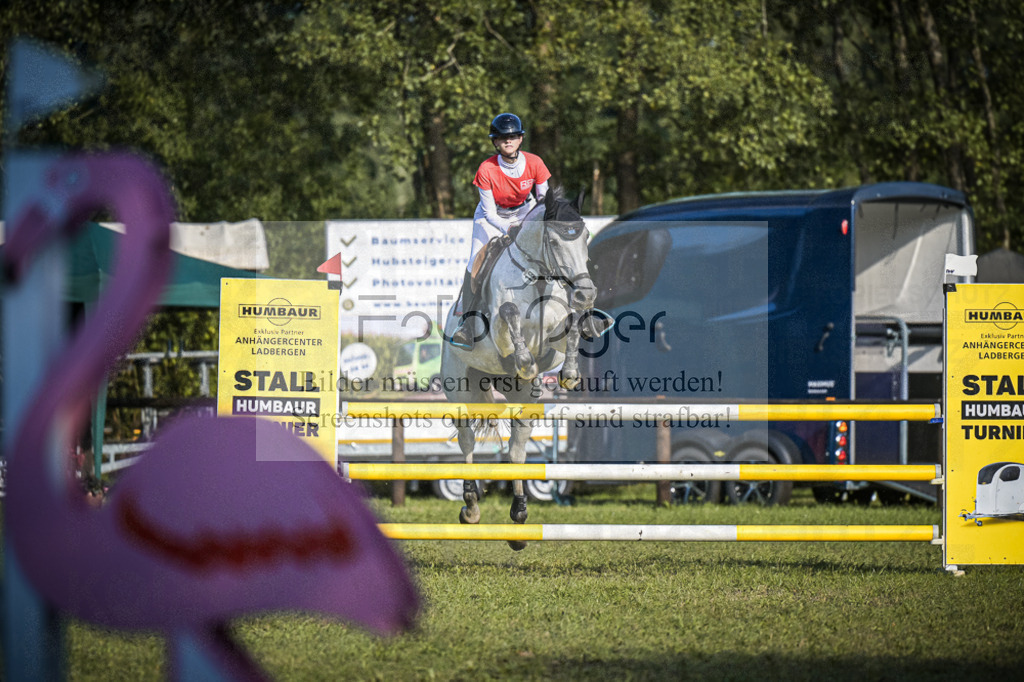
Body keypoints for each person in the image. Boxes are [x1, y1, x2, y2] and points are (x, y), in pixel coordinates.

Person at [450, 113, 552, 349]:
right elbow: (489, 213)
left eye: (513, 136)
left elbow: (544, 202)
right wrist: (510, 229)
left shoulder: (535, 163)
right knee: (474, 261)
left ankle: (578, 309)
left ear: (521, 139)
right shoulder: (486, 169)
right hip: (492, 216)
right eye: (503, 137)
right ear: (495, 142)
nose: (508, 140)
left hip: (526, 211)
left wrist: (533, 225)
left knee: (553, 251)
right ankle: (466, 323)